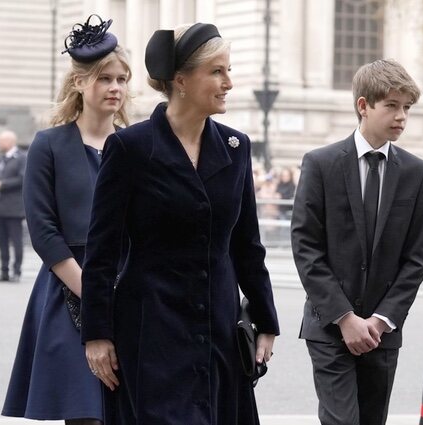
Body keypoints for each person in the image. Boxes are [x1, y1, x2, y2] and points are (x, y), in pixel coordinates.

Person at [80, 22, 279, 425]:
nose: (229, 83)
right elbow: (101, 250)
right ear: (181, 80)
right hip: (150, 326)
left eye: (229, 70)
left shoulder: (236, 147)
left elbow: (247, 245)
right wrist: (96, 334)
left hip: (219, 328)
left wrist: (265, 320)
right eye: (217, 71)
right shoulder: (130, 147)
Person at [1, 15, 130, 425]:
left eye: (122, 79)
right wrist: (95, 294)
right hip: (66, 287)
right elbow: (43, 230)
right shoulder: (48, 144)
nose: (115, 88)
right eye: (105, 78)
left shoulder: (136, 144)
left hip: (128, 284)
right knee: (84, 412)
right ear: (80, 83)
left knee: (126, 409)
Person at [291, 59, 423, 425]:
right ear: (363, 106)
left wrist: (382, 320)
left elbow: (416, 257)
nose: (401, 116)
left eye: (407, 108)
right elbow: (306, 246)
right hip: (329, 326)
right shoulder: (321, 164)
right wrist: (344, 318)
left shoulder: (416, 173)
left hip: (381, 334)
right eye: (391, 105)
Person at [0, 130, 26, 283]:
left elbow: (23, 179)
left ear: (10, 141)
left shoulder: (21, 158)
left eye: (1, 141)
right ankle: (4, 272)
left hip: (14, 208)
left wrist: (2, 184)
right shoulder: (1, 158)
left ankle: (16, 271)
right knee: (2, 241)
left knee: (16, 241)